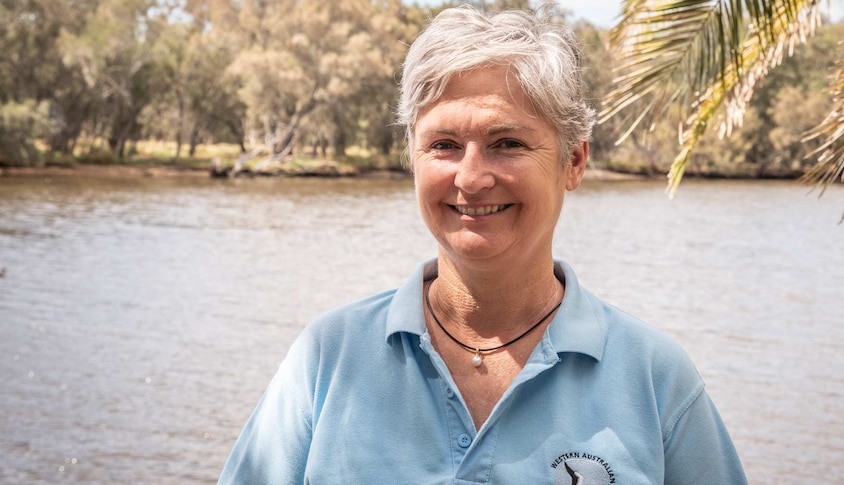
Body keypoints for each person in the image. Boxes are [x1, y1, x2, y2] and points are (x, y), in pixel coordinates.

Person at [218, 5, 748, 484]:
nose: (471, 179)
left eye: (507, 144)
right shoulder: (327, 359)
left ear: (574, 161)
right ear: (413, 158)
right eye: (444, 145)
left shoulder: (655, 379)